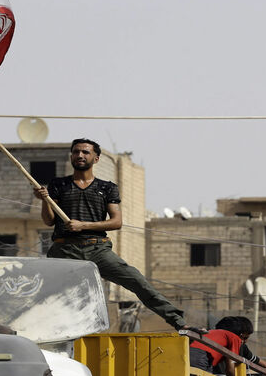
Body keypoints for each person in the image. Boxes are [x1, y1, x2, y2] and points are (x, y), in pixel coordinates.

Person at [34, 138, 198, 333]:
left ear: (96, 158)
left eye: (85, 152)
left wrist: (83, 225)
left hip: (97, 249)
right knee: (43, 291)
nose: (80, 155)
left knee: (136, 280)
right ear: (71, 156)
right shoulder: (58, 185)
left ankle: (178, 321)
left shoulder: (106, 188)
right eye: (76, 152)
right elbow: (49, 221)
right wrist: (45, 200)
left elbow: (116, 222)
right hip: (65, 250)